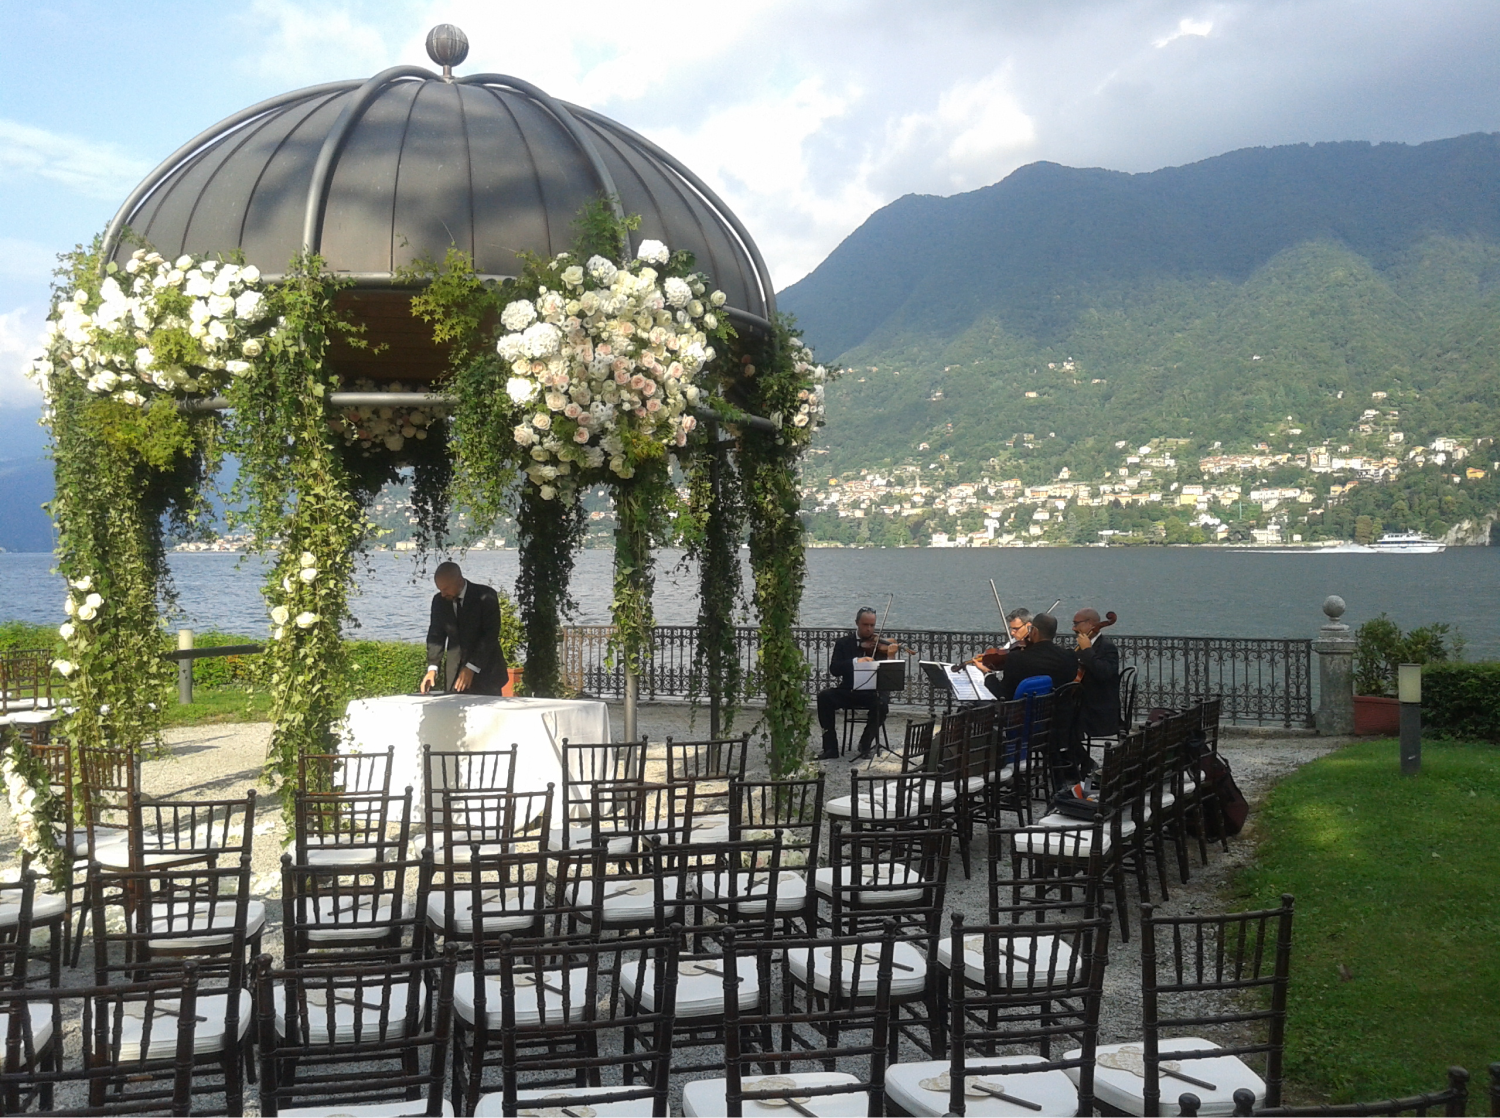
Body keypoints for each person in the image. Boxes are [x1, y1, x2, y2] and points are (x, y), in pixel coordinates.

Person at [420, 561, 507, 695]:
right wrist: (432, 668)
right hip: (454, 673)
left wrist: (471, 667)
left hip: (486, 671)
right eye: (440, 589)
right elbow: (436, 635)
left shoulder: (486, 596)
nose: (443, 594)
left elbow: (490, 636)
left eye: (446, 589)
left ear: (459, 581)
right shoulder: (439, 601)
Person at [815, 607, 889, 761]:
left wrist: (891, 654)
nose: (869, 629)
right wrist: (855, 661)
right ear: (857, 623)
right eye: (865, 625)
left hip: (871, 692)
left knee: (882, 704)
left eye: (872, 625)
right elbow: (835, 669)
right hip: (849, 690)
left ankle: (865, 743)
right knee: (824, 697)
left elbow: (887, 672)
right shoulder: (843, 643)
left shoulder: (879, 646)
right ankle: (830, 748)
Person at [995, 612, 1078, 699]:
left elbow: (1004, 695)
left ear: (1034, 631)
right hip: (1058, 705)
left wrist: (988, 676)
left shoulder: (1016, 659)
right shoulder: (1069, 656)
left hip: (1025, 707)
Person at [1073, 607, 1121, 737]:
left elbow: (1103, 673)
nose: (1073, 628)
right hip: (1084, 704)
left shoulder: (1107, 647)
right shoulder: (1081, 647)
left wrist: (1087, 650)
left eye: (1076, 624)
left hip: (1098, 708)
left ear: (1090, 624)